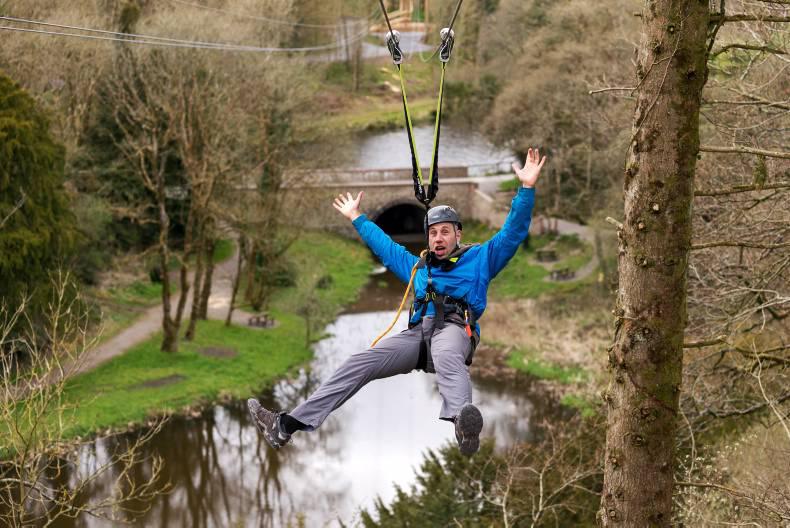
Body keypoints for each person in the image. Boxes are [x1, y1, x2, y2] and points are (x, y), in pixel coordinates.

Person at [248, 148, 547, 456]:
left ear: (458, 234)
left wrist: (526, 189)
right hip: (418, 337)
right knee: (360, 363)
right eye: (433, 233)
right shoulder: (419, 268)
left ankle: (463, 424)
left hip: (454, 330)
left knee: (446, 353)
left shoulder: (482, 259)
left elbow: (513, 232)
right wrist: (357, 218)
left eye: (445, 232)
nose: (438, 238)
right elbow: (387, 249)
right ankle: (286, 426)